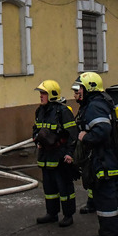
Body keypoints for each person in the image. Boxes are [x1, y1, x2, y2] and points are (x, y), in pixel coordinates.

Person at [74, 72, 118, 236]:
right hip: (106, 157)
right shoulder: (100, 103)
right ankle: (112, 231)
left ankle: (108, 234)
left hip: (103, 159)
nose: (77, 91)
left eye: (80, 87)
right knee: (109, 196)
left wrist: (84, 137)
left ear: (89, 88)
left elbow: (102, 130)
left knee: (105, 197)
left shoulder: (95, 106)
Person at [31, 80, 79, 227]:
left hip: (60, 157)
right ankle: (51, 213)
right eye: (40, 93)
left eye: (43, 93)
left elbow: (73, 134)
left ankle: (68, 215)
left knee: (64, 188)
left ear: (52, 94)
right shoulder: (40, 111)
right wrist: (37, 141)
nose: (41, 96)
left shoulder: (62, 111)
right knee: (49, 188)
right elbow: (35, 129)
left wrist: (70, 154)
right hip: (46, 157)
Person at [72, 79, 95, 216]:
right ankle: (92, 202)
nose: (75, 95)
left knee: (91, 176)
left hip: (91, 148)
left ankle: (93, 203)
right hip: (87, 147)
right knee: (89, 177)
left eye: (77, 92)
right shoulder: (84, 106)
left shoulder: (91, 106)